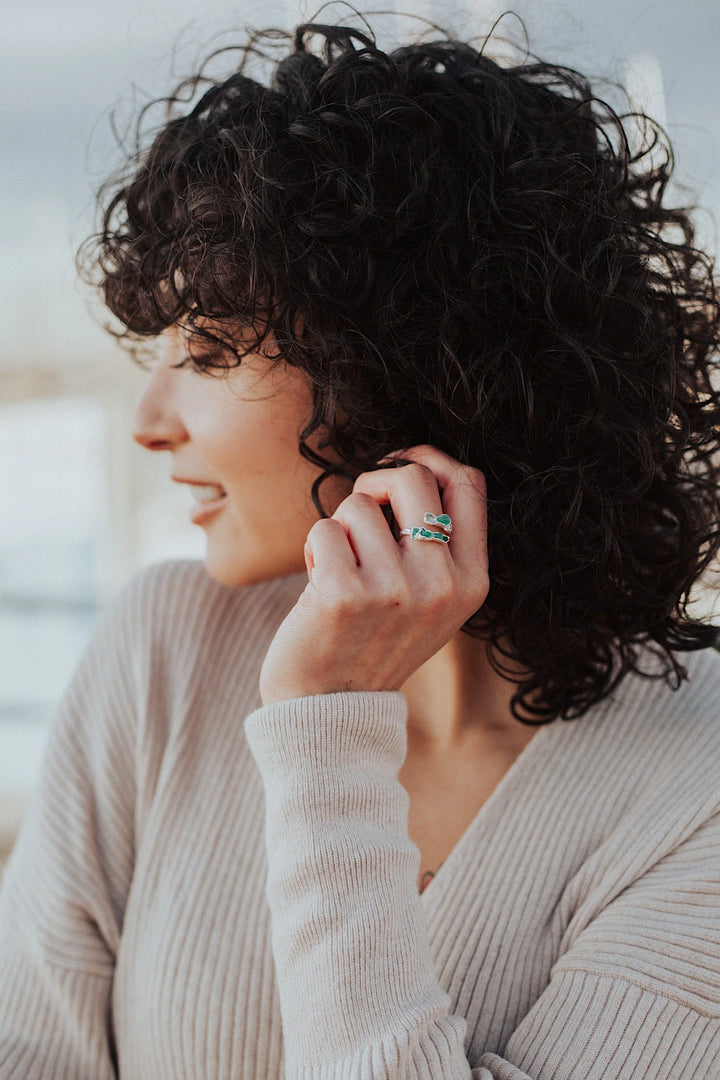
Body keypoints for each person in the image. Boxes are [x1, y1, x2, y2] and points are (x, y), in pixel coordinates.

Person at [2, 10, 720, 1078]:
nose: (150, 419)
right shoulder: (165, 645)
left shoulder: (693, 788)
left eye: (207, 350)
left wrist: (325, 727)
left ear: (398, 369)